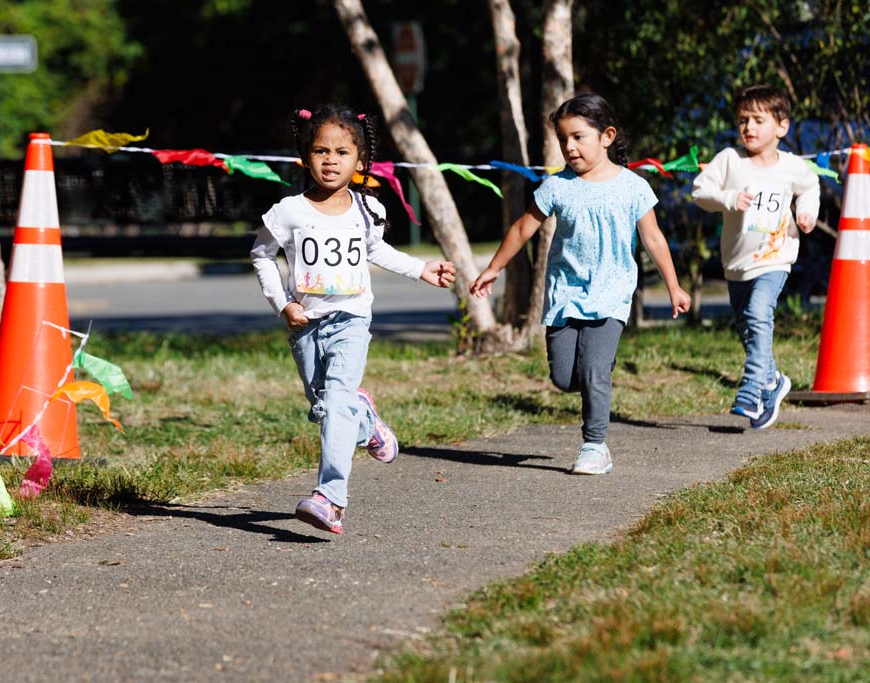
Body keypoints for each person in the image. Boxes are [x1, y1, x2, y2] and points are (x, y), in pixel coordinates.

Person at [251, 105, 456, 534]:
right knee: (325, 405)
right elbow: (262, 255)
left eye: (342, 152)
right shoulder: (288, 210)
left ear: (360, 162)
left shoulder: (368, 210)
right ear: (305, 158)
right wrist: (282, 304)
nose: (331, 160)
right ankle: (366, 420)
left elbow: (375, 251)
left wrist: (421, 269)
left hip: (351, 319)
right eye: (321, 151)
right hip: (305, 323)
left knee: (336, 401)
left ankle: (331, 498)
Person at [470, 92, 691, 475]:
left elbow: (653, 239)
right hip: (565, 294)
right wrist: (494, 267)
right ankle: (598, 368)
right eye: (563, 140)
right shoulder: (558, 187)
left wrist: (674, 286)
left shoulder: (633, 187)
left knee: (592, 371)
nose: (569, 147)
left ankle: (595, 445)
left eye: (577, 137)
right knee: (563, 377)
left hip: (612, 293)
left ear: (607, 136)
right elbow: (524, 227)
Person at [692, 85, 820, 429]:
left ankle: (750, 390)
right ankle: (772, 381)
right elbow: (700, 191)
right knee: (748, 328)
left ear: (782, 126)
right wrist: (729, 198)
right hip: (736, 263)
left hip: (775, 257)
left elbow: (810, 187)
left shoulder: (792, 167)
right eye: (743, 120)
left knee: (757, 312)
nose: (749, 127)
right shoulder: (730, 160)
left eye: (758, 120)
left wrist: (806, 212)